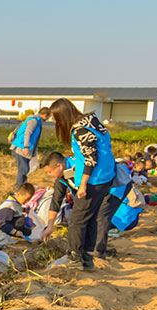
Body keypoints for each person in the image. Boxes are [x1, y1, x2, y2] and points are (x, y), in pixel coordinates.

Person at [46, 98, 117, 269]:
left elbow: (90, 159)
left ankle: (74, 257)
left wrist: (83, 184)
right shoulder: (92, 121)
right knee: (90, 217)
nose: (56, 123)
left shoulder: (80, 130)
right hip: (106, 176)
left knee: (78, 220)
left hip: (94, 179)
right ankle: (87, 258)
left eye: (56, 119)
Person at [10, 108, 49, 187]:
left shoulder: (37, 121)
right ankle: (20, 188)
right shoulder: (34, 121)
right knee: (23, 169)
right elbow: (27, 133)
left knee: (25, 169)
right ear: (45, 115)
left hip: (24, 148)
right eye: (48, 117)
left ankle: (22, 187)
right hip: (21, 148)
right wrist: (26, 147)